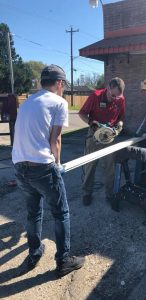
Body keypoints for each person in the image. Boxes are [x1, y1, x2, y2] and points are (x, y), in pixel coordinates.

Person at [12, 64, 85, 277]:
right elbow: (56, 140)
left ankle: (34, 253)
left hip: (20, 167)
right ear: (60, 83)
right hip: (42, 167)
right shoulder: (58, 102)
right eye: (64, 85)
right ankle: (63, 261)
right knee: (60, 212)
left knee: (34, 212)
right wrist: (58, 164)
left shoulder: (26, 103)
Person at [79, 77, 125, 206]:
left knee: (110, 167)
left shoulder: (120, 99)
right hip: (94, 134)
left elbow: (121, 117)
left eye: (118, 96)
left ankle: (109, 194)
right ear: (108, 88)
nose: (115, 99)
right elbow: (82, 113)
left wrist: (119, 126)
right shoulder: (96, 96)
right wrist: (91, 123)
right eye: (113, 95)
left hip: (109, 135)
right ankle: (87, 193)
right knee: (90, 165)